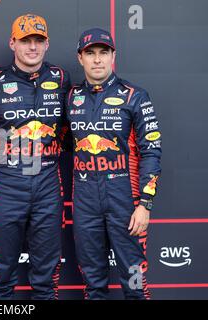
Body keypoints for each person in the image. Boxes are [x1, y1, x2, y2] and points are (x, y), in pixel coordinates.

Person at [0, 14, 71, 300]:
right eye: (25, 41)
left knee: (47, 276)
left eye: (38, 41)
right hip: (7, 185)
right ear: (12, 43)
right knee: (0, 274)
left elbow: (71, 128)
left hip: (48, 185)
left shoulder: (61, 78)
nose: (32, 47)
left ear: (46, 45)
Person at [66, 28, 162, 299]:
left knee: (134, 284)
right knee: (93, 286)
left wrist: (145, 204)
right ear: (80, 58)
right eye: (90, 53)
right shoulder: (71, 97)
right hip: (85, 201)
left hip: (125, 200)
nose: (97, 60)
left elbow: (152, 151)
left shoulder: (135, 96)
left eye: (103, 53)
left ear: (113, 57)